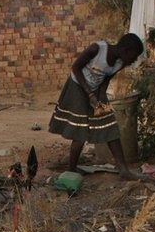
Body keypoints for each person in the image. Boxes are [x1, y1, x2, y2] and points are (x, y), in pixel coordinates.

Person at [48, 33, 146, 178]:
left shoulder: (121, 62)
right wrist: (90, 95)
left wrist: (100, 99)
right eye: (134, 55)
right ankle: (72, 169)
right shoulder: (97, 49)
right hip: (76, 87)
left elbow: (105, 80)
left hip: (94, 91)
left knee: (109, 125)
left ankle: (124, 170)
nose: (135, 60)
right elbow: (75, 68)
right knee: (79, 130)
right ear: (126, 50)